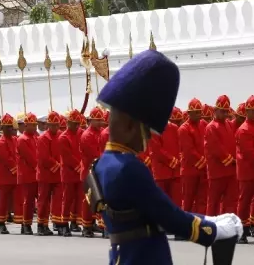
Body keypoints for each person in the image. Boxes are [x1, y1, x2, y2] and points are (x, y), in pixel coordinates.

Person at [89, 50, 242, 265]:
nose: (149, 139)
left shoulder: (103, 164)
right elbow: (169, 217)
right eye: (147, 132)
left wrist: (207, 219)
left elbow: (150, 212)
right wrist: (214, 229)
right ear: (131, 126)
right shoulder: (129, 168)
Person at [204, 95, 237, 216]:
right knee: (214, 201)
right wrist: (231, 160)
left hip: (230, 171)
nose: (224, 114)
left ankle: (228, 227)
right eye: (222, 111)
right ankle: (210, 228)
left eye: (226, 111)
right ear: (215, 110)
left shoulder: (228, 124)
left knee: (230, 201)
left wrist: (235, 160)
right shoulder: (211, 127)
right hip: (217, 171)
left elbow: (232, 145)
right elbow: (216, 148)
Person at [236, 95, 254, 244]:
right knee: (245, 201)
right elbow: (248, 152)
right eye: (253, 111)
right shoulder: (243, 129)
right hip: (248, 171)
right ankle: (241, 230)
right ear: (247, 112)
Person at [178, 98, 207, 215]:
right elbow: (189, 151)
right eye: (197, 112)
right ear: (189, 113)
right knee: (188, 201)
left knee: (202, 200)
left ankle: (201, 226)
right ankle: (183, 228)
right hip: (190, 170)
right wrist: (203, 162)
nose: (200, 115)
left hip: (203, 170)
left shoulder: (204, 124)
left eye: (200, 112)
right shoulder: (183, 129)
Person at [149, 107, 182, 210]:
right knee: (161, 204)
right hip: (161, 173)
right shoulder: (153, 129)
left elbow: (181, 147)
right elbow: (156, 151)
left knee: (177, 204)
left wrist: (178, 160)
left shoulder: (175, 128)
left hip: (175, 173)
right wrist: (173, 161)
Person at [36, 111, 63, 236]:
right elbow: (43, 157)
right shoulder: (43, 138)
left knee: (58, 200)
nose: (55, 128)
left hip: (57, 175)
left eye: (57, 125)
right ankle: (42, 224)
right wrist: (57, 165)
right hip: (45, 174)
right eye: (53, 125)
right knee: (43, 201)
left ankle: (57, 222)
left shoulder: (60, 136)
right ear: (48, 125)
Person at [80, 107, 105, 237]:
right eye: (98, 120)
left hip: (99, 169)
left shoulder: (101, 132)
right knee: (88, 199)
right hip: (89, 171)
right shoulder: (86, 135)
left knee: (98, 198)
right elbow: (93, 155)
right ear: (92, 120)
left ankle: (94, 222)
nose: (101, 122)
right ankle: (86, 226)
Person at [0, 113, 21, 234]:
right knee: (3, 200)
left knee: (18, 199)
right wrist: (18, 171)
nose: (11, 129)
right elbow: (8, 160)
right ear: (3, 128)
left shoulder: (15, 140)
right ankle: (1, 223)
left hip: (16, 176)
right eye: (8, 127)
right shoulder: (0, 143)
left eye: (12, 127)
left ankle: (22, 223)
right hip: (5, 176)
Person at [59, 109, 83, 236]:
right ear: (68, 123)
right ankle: (64, 224)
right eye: (74, 123)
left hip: (79, 172)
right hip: (69, 172)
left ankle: (74, 221)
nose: (77, 126)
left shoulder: (81, 134)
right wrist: (79, 166)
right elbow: (67, 157)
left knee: (79, 198)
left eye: (78, 123)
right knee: (67, 199)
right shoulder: (63, 137)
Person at [17, 112, 38, 235]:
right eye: (32, 125)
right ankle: (26, 224)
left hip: (35, 174)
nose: (35, 127)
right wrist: (39, 166)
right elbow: (30, 158)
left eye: (35, 125)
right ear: (26, 125)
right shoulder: (22, 140)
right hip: (26, 175)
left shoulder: (35, 137)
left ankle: (34, 223)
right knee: (28, 201)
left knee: (36, 201)